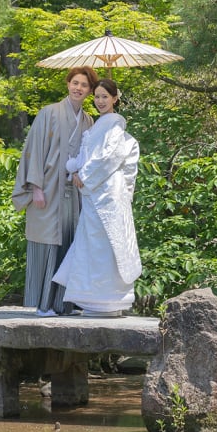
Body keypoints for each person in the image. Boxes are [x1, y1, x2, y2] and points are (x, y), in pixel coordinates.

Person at [12, 65, 100, 317]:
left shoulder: (88, 121)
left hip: (73, 190)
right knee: (47, 241)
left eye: (84, 85)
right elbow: (34, 149)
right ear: (68, 84)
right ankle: (43, 305)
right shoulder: (49, 113)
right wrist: (35, 187)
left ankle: (63, 304)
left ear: (90, 91)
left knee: (70, 240)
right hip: (48, 187)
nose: (78, 88)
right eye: (75, 83)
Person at [51, 78, 141, 317]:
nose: (100, 101)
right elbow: (88, 156)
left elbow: (109, 157)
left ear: (115, 99)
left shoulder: (115, 126)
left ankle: (109, 300)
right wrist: (75, 169)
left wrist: (85, 175)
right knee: (93, 243)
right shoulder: (98, 126)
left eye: (105, 97)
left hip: (107, 192)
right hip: (94, 192)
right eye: (97, 96)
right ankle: (93, 299)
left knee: (107, 244)